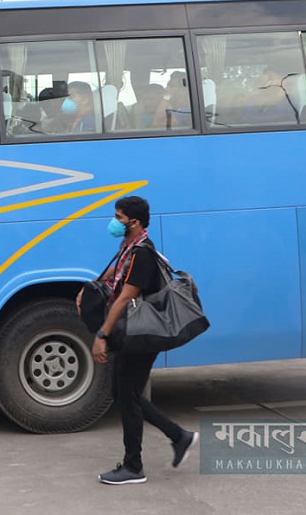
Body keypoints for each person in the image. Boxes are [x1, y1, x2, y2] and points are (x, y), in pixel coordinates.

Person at [83, 195, 197, 485]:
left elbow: (124, 298)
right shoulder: (129, 247)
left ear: (134, 222)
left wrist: (101, 335)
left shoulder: (143, 253)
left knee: (127, 395)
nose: (114, 222)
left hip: (142, 333)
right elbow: (115, 274)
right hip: (134, 332)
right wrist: (91, 287)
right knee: (123, 393)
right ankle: (178, 436)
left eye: (119, 217)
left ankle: (134, 466)